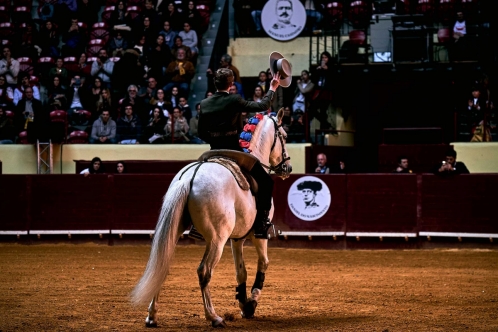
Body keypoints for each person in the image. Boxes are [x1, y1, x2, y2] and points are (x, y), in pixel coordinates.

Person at [197, 67, 281, 239]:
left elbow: (200, 133)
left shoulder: (204, 104)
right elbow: (263, 105)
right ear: (231, 84)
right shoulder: (234, 99)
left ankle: (194, 224)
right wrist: (272, 88)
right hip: (234, 152)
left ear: (215, 83)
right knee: (266, 181)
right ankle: (261, 224)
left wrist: (215, 139)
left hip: (213, 152)